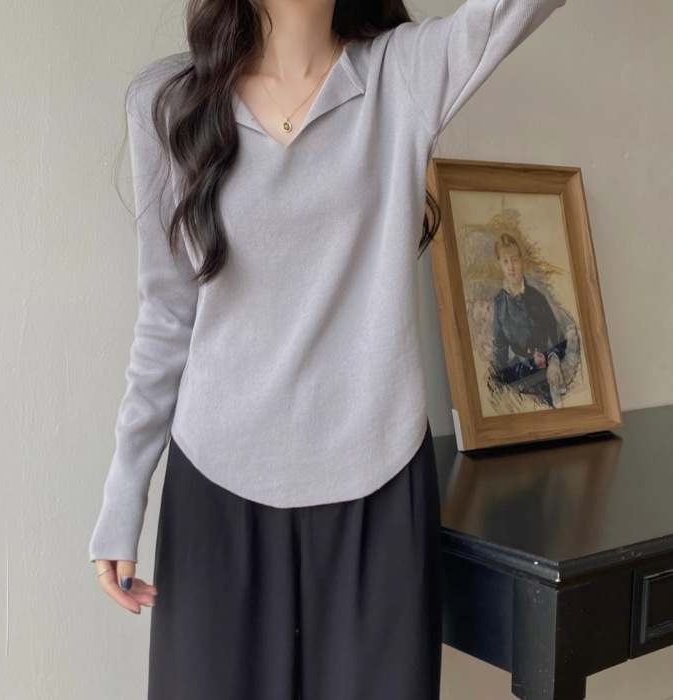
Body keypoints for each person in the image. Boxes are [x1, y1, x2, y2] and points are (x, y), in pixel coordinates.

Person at [89, 1, 567, 697]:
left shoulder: (403, 75)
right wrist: (122, 496)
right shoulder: (169, 102)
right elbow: (166, 314)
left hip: (377, 487)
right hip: (215, 487)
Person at [491, 233, 568, 408]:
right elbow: (500, 350)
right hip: (516, 374)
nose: (511, 267)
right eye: (505, 261)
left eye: (514, 260)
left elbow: (558, 338)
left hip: (542, 374)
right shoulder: (499, 303)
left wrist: (554, 361)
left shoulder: (537, 298)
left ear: (521, 262)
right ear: (500, 265)